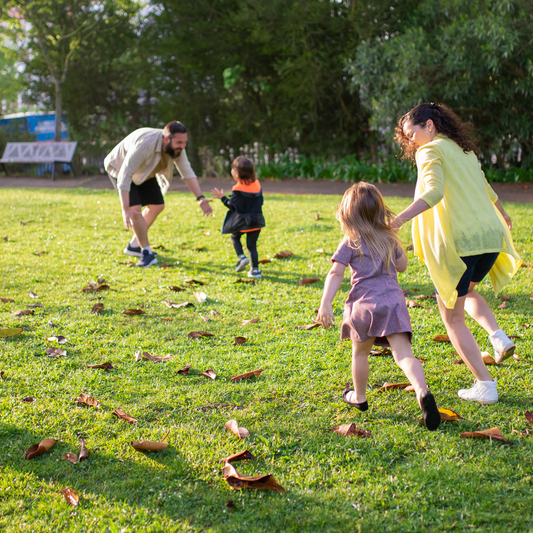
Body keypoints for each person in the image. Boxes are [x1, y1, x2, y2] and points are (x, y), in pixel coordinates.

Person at [393, 102, 522, 405]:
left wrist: (398, 219)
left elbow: (434, 192)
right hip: (489, 238)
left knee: (452, 318)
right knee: (466, 293)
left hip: (462, 242)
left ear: (429, 125)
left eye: (412, 134)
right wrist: (503, 216)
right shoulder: (465, 151)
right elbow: (487, 189)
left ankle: (485, 385)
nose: (411, 142)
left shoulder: (430, 150)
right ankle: (497, 336)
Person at [317, 182, 441, 431]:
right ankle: (422, 391)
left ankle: (359, 398)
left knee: (360, 353)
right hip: (393, 302)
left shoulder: (350, 241)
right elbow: (403, 266)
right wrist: (394, 242)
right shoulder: (388, 237)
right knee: (404, 355)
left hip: (362, 305)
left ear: (348, 214)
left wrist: (325, 303)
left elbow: (335, 273)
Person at [104, 121, 213, 267]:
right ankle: (146, 253)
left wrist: (200, 198)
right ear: (167, 139)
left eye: (185, 142)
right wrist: (125, 209)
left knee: (157, 206)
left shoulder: (177, 148)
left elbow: (187, 172)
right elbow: (125, 175)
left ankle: (134, 245)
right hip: (120, 169)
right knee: (135, 210)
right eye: (179, 142)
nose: (183, 146)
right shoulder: (146, 144)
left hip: (144, 173)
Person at [211, 156, 265, 279]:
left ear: (236, 173)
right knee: (252, 246)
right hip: (257, 221)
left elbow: (232, 206)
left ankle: (242, 257)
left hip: (243, 222)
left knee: (234, 237)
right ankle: (255, 270)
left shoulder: (237, 189)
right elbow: (260, 201)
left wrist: (222, 197)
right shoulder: (257, 184)